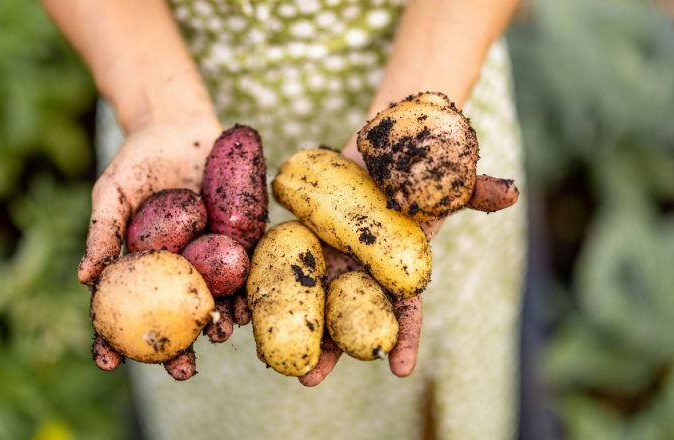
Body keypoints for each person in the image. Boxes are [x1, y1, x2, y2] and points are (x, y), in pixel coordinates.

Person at [43, 0, 525, 438]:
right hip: (165, 106)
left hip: (420, 116)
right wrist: (156, 110)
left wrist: (414, 140)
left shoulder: (413, 160)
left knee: (438, 399)